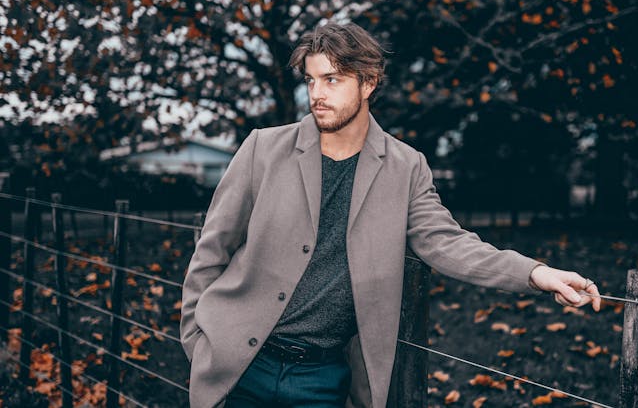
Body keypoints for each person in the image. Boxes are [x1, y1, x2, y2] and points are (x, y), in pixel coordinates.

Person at [180, 22, 601, 408]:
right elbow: (211, 251)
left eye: (331, 79)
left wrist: (537, 274)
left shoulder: (406, 166)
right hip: (239, 367)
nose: (316, 94)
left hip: (322, 380)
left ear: (368, 83)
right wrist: (198, 343)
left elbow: (448, 243)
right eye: (311, 80)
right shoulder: (262, 149)